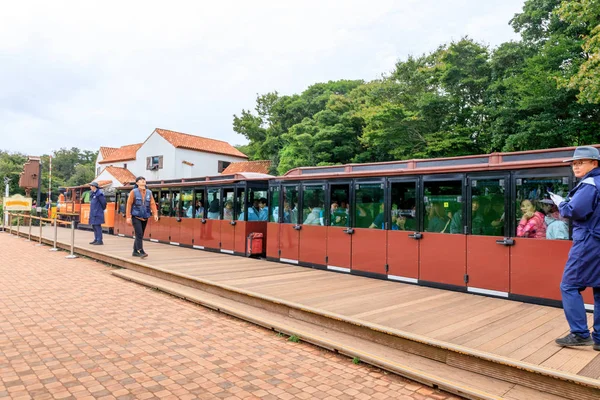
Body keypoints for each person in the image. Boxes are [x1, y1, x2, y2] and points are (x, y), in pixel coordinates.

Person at [552, 146, 600, 350]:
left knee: (569, 285)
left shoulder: (590, 184)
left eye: (581, 162)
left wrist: (561, 203)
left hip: (589, 242)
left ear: (594, 163)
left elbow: (574, 210)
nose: (576, 166)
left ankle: (580, 334)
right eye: (574, 163)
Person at [126, 176, 159, 258]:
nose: (143, 181)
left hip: (145, 216)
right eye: (140, 180)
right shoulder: (133, 192)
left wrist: (155, 214)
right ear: (137, 183)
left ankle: (134, 251)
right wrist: (128, 217)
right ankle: (140, 250)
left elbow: (152, 204)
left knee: (140, 234)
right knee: (139, 233)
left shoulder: (149, 192)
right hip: (136, 216)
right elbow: (129, 204)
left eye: (144, 180)